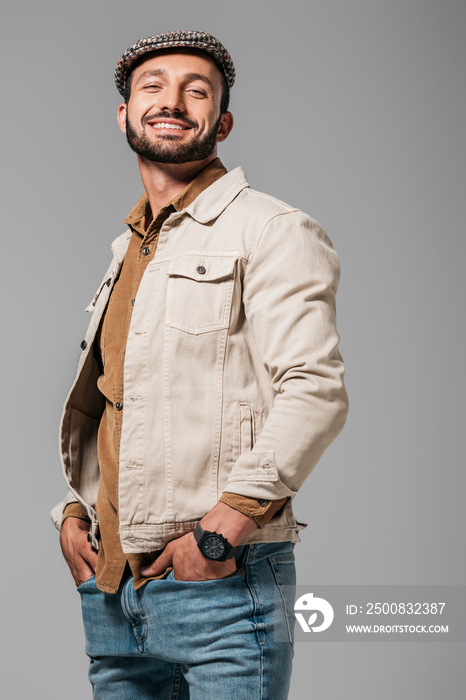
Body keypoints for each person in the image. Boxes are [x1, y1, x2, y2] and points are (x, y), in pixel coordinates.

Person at [51, 30, 348, 700]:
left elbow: (315, 391)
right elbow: (117, 402)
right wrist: (72, 512)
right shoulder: (126, 254)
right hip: (111, 595)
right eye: (152, 86)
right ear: (124, 114)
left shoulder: (273, 231)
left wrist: (223, 531)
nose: (173, 101)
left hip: (220, 583)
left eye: (197, 90)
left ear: (223, 121)